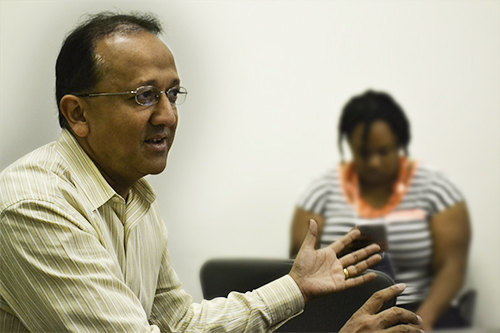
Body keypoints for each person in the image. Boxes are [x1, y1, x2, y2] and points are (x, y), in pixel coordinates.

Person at [0, 12, 423, 332]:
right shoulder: (34, 205)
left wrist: (296, 286)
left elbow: (180, 324)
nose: (167, 116)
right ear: (78, 113)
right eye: (144, 96)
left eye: (172, 93)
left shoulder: (136, 198)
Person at [290, 90, 472, 331]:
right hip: (344, 315)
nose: (374, 162)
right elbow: (296, 265)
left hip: (420, 310)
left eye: (383, 151)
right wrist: (338, 253)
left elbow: (453, 265)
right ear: (350, 145)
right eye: (364, 152)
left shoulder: (435, 189)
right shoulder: (322, 191)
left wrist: (422, 322)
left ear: (400, 143)